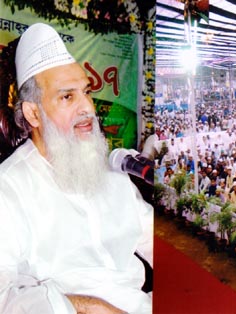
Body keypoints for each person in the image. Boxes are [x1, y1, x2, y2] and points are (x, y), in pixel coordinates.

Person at [0, 24, 152, 313]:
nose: (88, 109)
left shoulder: (108, 172)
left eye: (86, 92)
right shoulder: (8, 189)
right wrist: (87, 306)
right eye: (67, 97)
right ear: (33, 113)